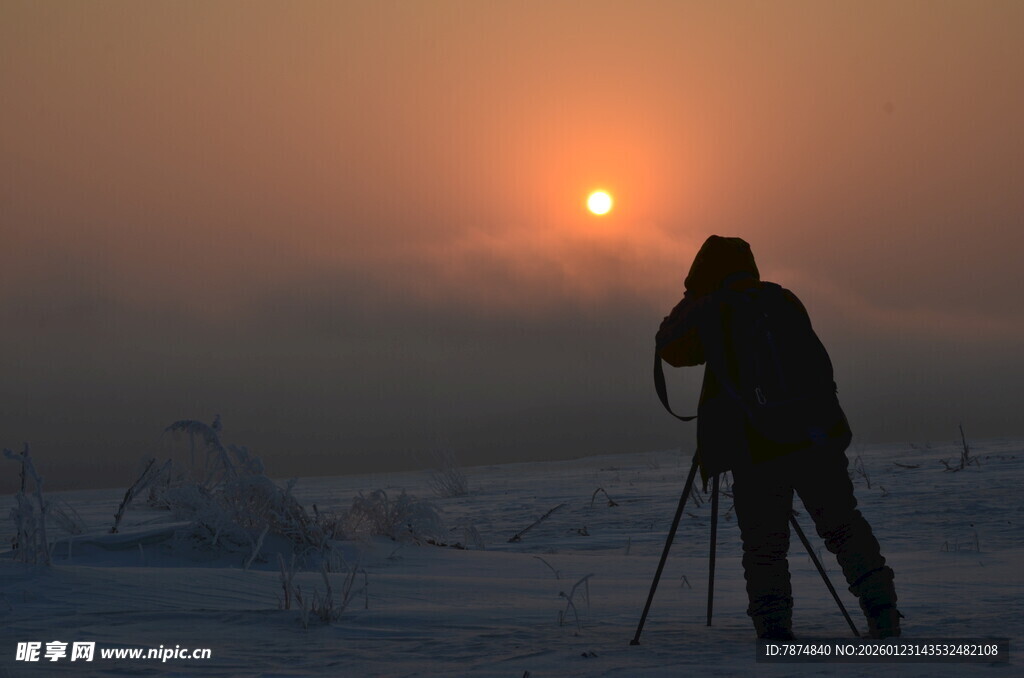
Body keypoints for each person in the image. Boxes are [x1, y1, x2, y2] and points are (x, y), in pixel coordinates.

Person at [655, 235, 901, 640]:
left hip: (758, 444)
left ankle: (774, 630)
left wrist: (693, 295)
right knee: (843, 527)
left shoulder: (715, 308)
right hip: (816, 435)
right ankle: (883, 611)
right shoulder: (784, 300)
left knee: (765, 545)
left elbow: (670, 346)